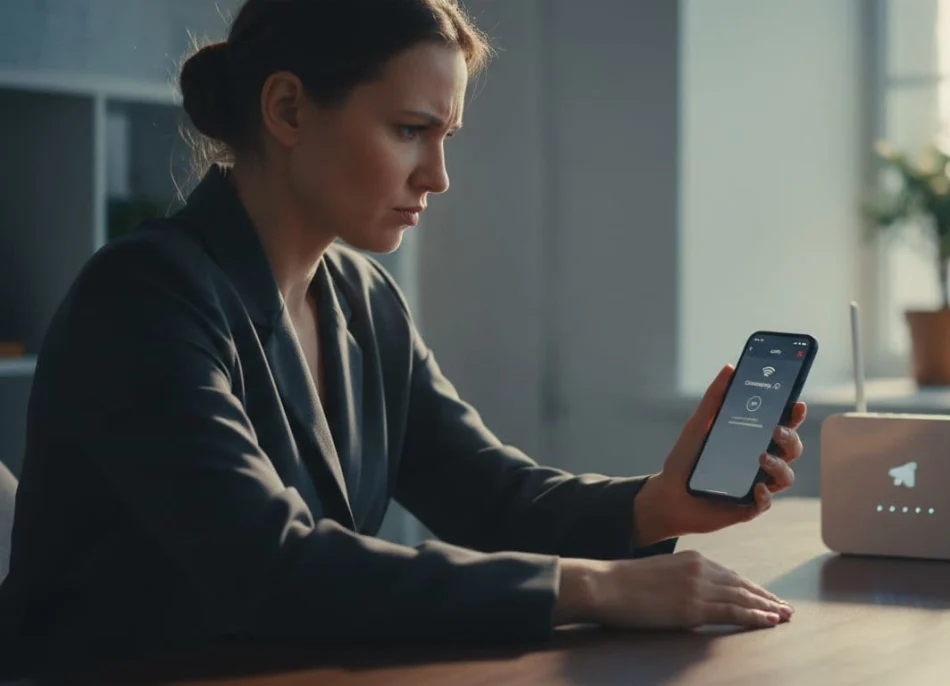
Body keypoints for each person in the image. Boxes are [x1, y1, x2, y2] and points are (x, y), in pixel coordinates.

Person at [0, 0, 808, 670]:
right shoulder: (143, 297)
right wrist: (593, 586)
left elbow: (490, 493)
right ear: (286, 108)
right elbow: (269, 565)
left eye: (444, 138)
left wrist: (657, 502)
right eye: (409, 131)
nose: (437, 176)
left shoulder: (360, 298)